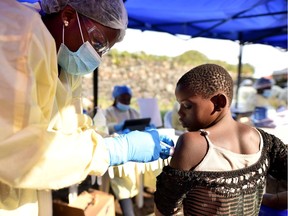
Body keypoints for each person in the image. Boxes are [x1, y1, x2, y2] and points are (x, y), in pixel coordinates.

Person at [0, 1, 173, 215]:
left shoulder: (65, 59)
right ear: (68, 16)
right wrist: (111, 151)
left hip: (25, 192)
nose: (97, 57)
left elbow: (71, 127)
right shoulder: (14, 31)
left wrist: (108, 142)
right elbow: (14, 148)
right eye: (98, 42)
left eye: (104, 50)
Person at [154, 64, 287, 215]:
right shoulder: (261, 139)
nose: (179, 113)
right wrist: (273, 200)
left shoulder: (193, 143)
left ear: (219, 102)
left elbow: (165, 208)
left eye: (187, 106)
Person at [104, 85, 140, 216]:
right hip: (117, 150)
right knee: (122, 175)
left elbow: (140, 124)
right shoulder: (108, 112)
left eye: (128, 98)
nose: (126, 101)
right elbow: (103, 128)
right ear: (115, 98)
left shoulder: (133, 112)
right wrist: (117, 127)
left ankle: (137, 199)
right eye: (123, 98)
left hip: (134, 148)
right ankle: (128, 210)